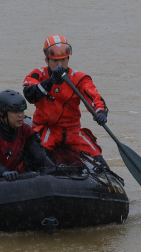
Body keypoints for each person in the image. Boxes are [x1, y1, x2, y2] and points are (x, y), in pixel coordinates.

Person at [22, 34, 110, 168]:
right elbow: (30, 95)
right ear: (47, 60)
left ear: (68, 59)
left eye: (63, 60)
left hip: (72, 131)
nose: (59, 65)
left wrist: (101, 112)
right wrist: (51, 82)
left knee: (99, 161)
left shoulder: (79, 78)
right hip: (47, 129)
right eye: (55, 61)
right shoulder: (37, 75)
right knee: (32, 157)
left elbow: (94, 97)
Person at [0, 90, 55, 178]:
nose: (20, 115)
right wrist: (1, 171)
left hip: (5, 178)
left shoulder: (26, 130)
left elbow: (39, 155)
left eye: (22, 111)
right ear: (2, 113)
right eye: (15, 112)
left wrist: (54, 169)